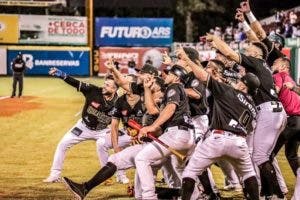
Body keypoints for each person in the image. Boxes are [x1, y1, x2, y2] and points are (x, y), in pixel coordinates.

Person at [206, 33, 287, 199]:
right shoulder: (261, 67)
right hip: (273, 111)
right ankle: (270, 193)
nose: (245, 53)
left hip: (268, 110)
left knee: (259, 156)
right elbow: (241, 89)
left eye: (248, 51)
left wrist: (215, 39)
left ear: (256, 55)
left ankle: (276, 195)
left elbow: (229, 54)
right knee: (263, 156)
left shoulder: (257, 62)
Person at [177, 46, 260, 200]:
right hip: (240, 142)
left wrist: (188, 59)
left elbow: (203, 77)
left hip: (218, 137)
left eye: (240, 81)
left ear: (243, 85)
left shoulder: (230, 91)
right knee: (249, 175)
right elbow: (250, 130)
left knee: (190, 172)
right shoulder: (254, 108)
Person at [43, 67, 126, 183]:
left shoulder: (119, 102)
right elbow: (75, 83)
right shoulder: (93, 90)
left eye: (107, 85)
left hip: (102, 131)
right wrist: (62, 75)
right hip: (83, 127)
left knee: (110, 147)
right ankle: (55, 174)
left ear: (114, 89)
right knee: (63, 144)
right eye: (104, 83)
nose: (103, 86)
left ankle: (119, 175)